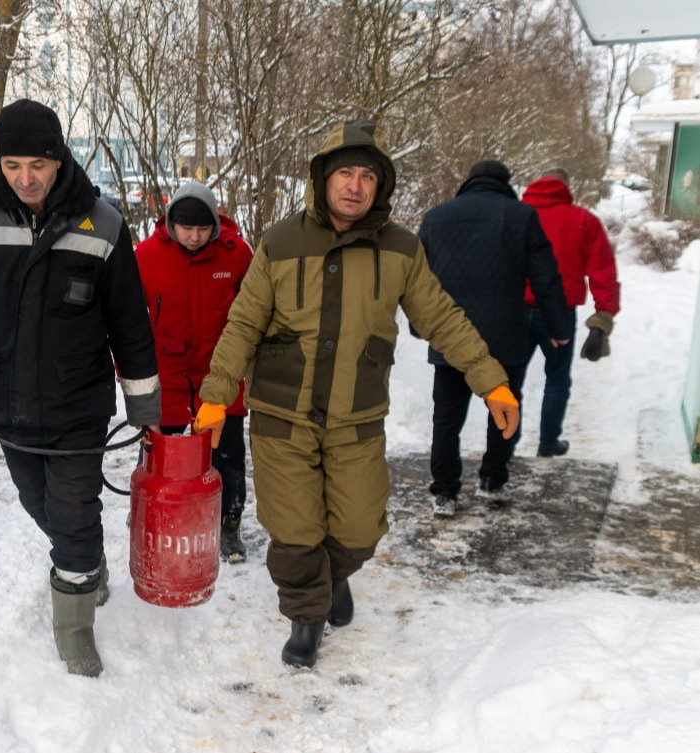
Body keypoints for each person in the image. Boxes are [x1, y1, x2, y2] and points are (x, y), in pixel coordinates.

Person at [193, 119, 519, 669]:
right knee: (294, 529)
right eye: (344, 173)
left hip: (356, 414)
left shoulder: (401, 249)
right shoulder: (280, 242)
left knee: (361, 526)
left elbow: (442, 318)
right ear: (322, 180)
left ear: (380, 186)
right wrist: (216, 395)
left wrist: (492, 381)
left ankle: (334, 575)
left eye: (367, 176)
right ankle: (306, 615)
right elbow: (243, 324)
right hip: (282, 412)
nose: (354, 186)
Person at [0, 99, 160, 678]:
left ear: (59, 158)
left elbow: (130, 322)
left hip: (78, 404)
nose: (26, 178)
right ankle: (87, 561)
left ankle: (74, 635)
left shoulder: (105, 222)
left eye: (37, 164)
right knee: (37, 503)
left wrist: (144, 404)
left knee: (71, 515)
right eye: (13, 164)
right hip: (4, 399)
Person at [417, 160, 570, 517]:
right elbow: (546, 279)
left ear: (469, 182)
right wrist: (559, 328)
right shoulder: (522, 217)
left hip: (450, 336)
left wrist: (420, 324)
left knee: (447, 418)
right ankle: (493, 480)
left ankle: (444, 492)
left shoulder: (436, 217)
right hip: (505, 337)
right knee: (503, 411)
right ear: (505, 184)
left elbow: (417, 280)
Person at [134, 181, 254, 562]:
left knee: (228, 455)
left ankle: (228, 524)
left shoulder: (236, 255)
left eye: (203, 229)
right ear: (171, 223)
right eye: (186, 228)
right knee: (160, 455)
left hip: (220, 375)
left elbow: (253, 315)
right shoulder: (145, 256)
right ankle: (154, 514)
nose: (194, 236)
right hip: (165, 376)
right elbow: (128, 321)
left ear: (215, 226)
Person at [522, 167, 621, 457]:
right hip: (558, 314)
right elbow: (602, 271)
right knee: (556, 377)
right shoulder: (584, 220)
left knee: (508, 378)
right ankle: (548, 442)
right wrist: (603, 315)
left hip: (515, 310)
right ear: (567, 186)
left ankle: (503, 443)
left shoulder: (516, 215)